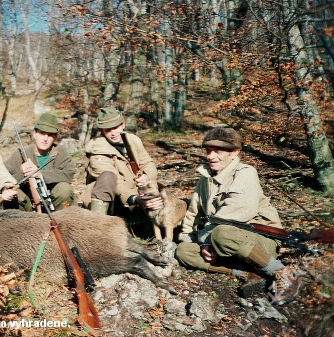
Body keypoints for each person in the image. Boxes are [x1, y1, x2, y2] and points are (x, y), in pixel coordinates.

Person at [174, 126, 301, 305]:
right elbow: (195, 211)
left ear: (234, 153)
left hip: (258, 239)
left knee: (222, 233)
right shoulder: (205, 177)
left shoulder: (245, 173)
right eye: (208, 151)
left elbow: (237, 213)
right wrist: (193, 239)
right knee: (183, 251)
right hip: (222, 240)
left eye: (218, 151)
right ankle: (248, 273)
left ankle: (283, 272)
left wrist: (206, 239)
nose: (210, 156)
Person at [82, 107, 164, 222]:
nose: (113, 133)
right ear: (102, 131)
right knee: (107, 177)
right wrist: (134, 199)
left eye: (116, 127)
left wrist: (146, 176)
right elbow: (117, 183)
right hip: (112, 199)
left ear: (123, 125)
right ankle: (98, 225)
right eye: (108, 130)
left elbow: (148, 163)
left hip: (135, 195)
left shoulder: (133, 140)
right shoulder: (96, 150)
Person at [5, 113, 75, 212]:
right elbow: (3, 178)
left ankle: (62, 222)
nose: (45, 139)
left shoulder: (61, 152)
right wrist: (22, 174)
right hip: (27, 204)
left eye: (50, 135)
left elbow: (69, 174)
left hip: (55, 203)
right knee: (13, 193)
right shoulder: (19, 154)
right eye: (42, 133)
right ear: (34, 134)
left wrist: (40, 173)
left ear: (55, 138)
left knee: (64, 189)